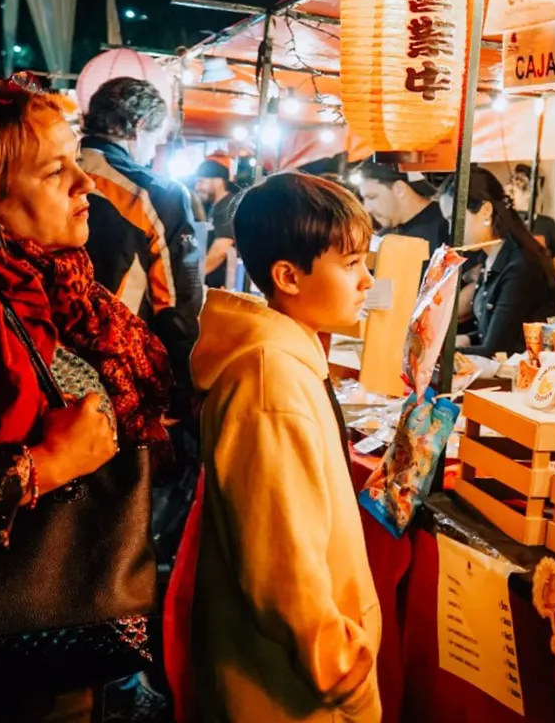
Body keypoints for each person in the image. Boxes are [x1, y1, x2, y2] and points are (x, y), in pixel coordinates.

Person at [0, 76, 171, 721]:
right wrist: (48, 464)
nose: (87, 182)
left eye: (77, 160)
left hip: (51, 622)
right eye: (55, 172)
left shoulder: (42, 284)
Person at [189, 172, 381, 723]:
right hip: (290, 693)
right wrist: (348, 680)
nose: (366, 281)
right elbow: (283, 570)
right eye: (350, 265)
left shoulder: (284, 364)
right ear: (287, 277)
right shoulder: (270, 381)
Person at [80, 77, 203, 390]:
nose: (151, 154)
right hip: (118, 367)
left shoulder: (48, 172)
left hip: (40, 357)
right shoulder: (159, 193)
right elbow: (176, 302)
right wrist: (183, 385)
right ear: (139, 125)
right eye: (155, 140)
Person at [439, 165, 555, 358]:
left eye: (454, 219)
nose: (451, 230)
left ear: (486, 211)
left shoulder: (520, 266)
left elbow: (497, 349)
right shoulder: (491, 258)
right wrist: (468, 339)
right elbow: (493, 331)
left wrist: (440, 354)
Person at [358, 162, 449, 254]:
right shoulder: (384, 237)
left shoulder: (448, 228)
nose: (367, 208)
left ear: (400, 190)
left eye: (372, 197)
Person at [509, 164, 555, 285]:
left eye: (513, 191)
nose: (510, 196)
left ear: (529, 193)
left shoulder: (547, 225)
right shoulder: (505, 223)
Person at [194, 159, 238, 289]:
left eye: (201, 181)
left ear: (218, 181)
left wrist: (194, 278)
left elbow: (222, 247)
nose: (197, 187)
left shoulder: (228, 206)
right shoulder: (213, 206)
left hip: (223, 287)